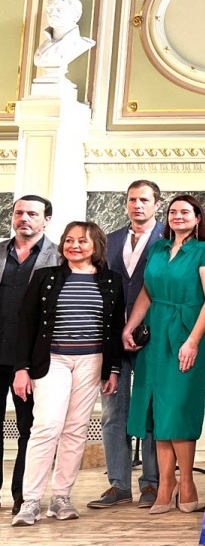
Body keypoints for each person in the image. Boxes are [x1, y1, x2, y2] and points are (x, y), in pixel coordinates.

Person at [11, 222, 125, 527]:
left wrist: (112, 369)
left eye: (82, 241)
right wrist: (21, 368)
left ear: (96, 246)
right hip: (52, 361)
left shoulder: (111, 281)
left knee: (76, 430)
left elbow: (115, 328)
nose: (75, 246)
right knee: (46, 426)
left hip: (91, 362)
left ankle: (61, 498)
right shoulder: (45, 277)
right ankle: (30, 501)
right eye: (70, 240)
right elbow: (26, 323)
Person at [122, 194, 205, 515]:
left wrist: (193, 340)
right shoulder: (158, 249)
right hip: (156, 333)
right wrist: (130, 326)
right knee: (158, 408)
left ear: (197, 218)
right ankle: (166, 484)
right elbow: (147, 292)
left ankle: (187, 480)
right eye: (173, 211)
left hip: (187, 331)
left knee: (178, 407)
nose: (178, 216)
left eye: (185, 212)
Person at [89, 180, 164, 510]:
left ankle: (151, 483)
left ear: (157, 204)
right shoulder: (110, 241)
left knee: (151, 412)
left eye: (144, 200)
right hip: (113, 339)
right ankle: (118, 484)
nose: (138, 205)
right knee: (112, 412)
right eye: (132, 199)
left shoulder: (168, 240)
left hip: (153, 337)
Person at [0, 194, 57, 515]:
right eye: (19, 212)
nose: (24, 218)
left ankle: (23, 496)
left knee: (29, 429)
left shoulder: (59, 257)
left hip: (32, 359)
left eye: (32, 214)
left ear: (46, 220)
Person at [32, 0, 95, 71]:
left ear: (76, 15)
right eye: (49, 9)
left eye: (59, 10)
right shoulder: (42, 48)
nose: (52, 13)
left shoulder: (83, 44)